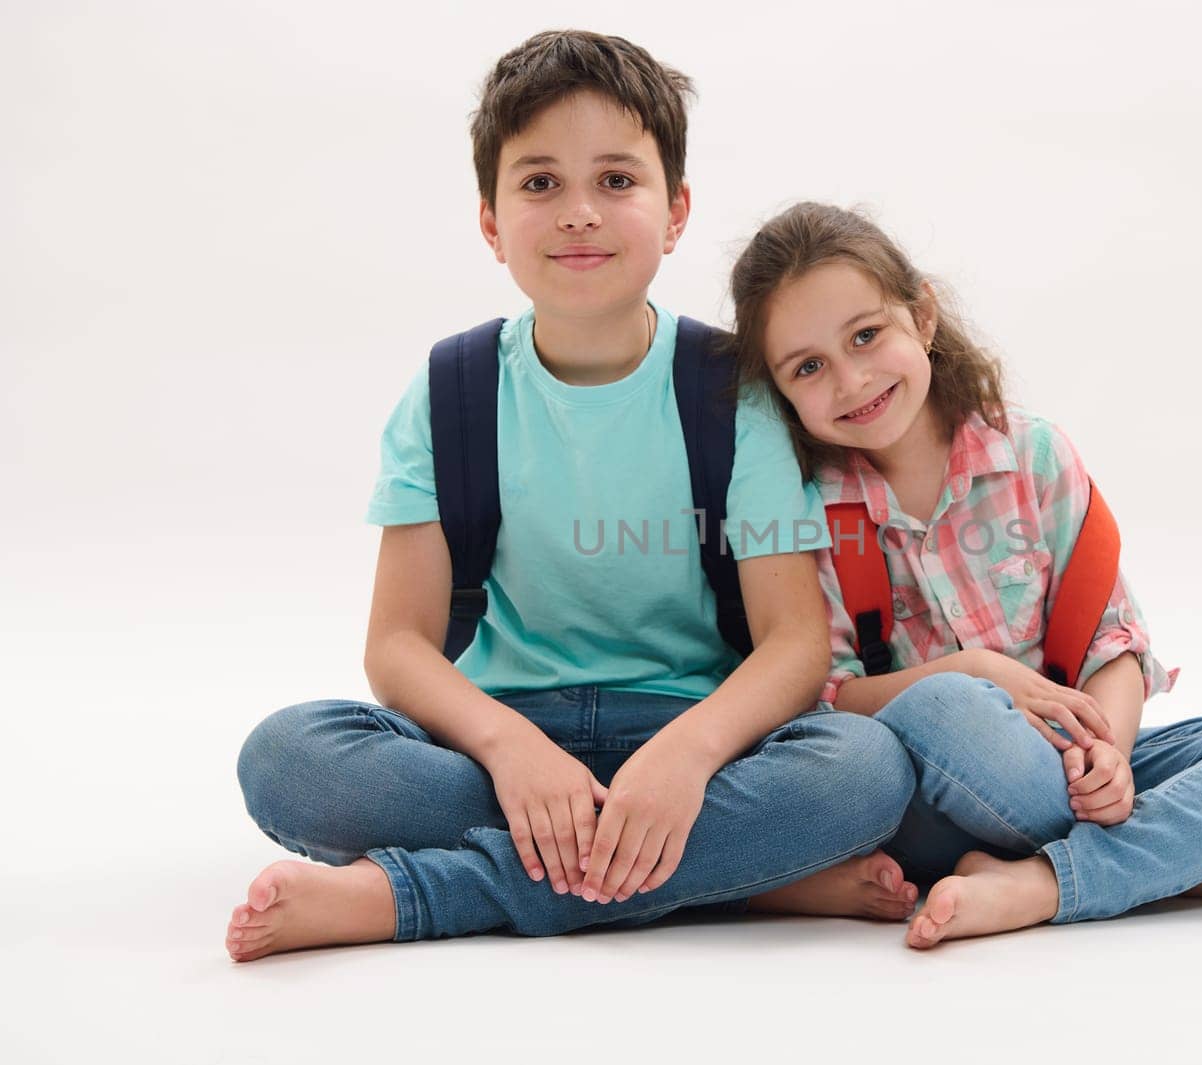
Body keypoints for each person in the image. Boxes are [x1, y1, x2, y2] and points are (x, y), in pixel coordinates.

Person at [224, 34, 920, 963]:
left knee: (864, 770)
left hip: (693, 734)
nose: (580, 214)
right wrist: (511, 752)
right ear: (490, 219)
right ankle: (745, 878)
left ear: (675, 212)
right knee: (285, 757)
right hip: (497, 738)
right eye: (541, 183)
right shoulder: (450, 392)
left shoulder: (730, 391)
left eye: (617, 182)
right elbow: (396, 644)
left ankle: (413, 897)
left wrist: (685, 757)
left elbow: (795, 645)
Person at [726, 201, 1202, 948]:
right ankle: (1199, 862)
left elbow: (1112, 644)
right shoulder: (810, 510)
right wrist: (976, 669)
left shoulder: (1033, 455)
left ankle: (1039, 882)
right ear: (779, 390)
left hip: (1077, 763)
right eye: (809, 367)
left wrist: (1108, 757)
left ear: (922, 315)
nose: (853, 379)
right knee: (945, 706)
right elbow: (828, 694)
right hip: (936, 797)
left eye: (867, 335)